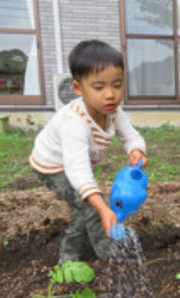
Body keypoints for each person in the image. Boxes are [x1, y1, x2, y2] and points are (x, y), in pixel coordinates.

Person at [29, 40, 148, 263]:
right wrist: (102, 207)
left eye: (117, 84)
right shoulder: (74, 122)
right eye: (99, 87)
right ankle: (102, 256)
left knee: (84, 210)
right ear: (78, 88)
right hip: (51, 166)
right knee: (91, 209)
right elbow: (78, 171)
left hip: (74, 165)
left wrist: (136, 150)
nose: (110, 94)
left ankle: (78, 254)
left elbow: (131, 136)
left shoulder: (114, 112)